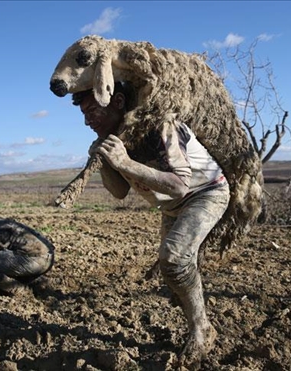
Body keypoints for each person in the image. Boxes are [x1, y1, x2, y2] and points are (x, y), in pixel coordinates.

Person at [73, 82, 230, 367]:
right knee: (174, 270)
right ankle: (200, 326)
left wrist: (125, 162)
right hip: (171, 207)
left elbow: (180, 185)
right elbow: (119, 192)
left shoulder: (160, 126)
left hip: (205, 193)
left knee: (173, 260)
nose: (87, 120)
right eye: (84, 114)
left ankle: (201, 330)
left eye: (93, 110)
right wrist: (106, 162)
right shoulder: (115, 138)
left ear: (118, 101)